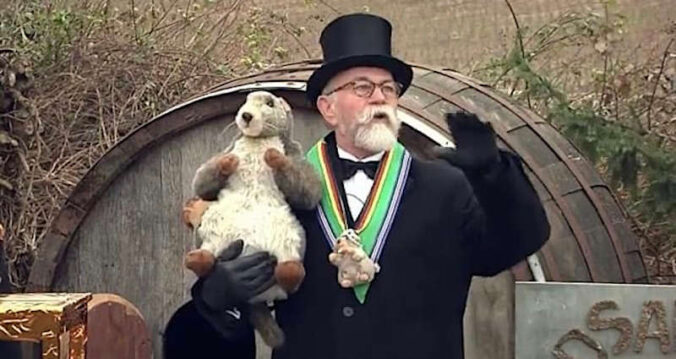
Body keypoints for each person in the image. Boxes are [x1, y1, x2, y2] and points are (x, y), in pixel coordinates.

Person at [163, 13, 550, 359]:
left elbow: (515, 245)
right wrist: (217, 299)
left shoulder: (445, 186)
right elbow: (235, 310)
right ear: (328, 108)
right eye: (362, 87)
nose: (380, 96)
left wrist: (495, 176)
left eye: (389, 88)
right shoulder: (278, 189)